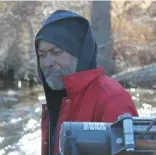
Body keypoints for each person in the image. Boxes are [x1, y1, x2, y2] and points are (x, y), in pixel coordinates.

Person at [34, 10, 138, 155]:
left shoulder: (112, 99)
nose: (47, 63)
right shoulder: (58, 95)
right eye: (42, 55)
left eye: (56, 52)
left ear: (79, 53)